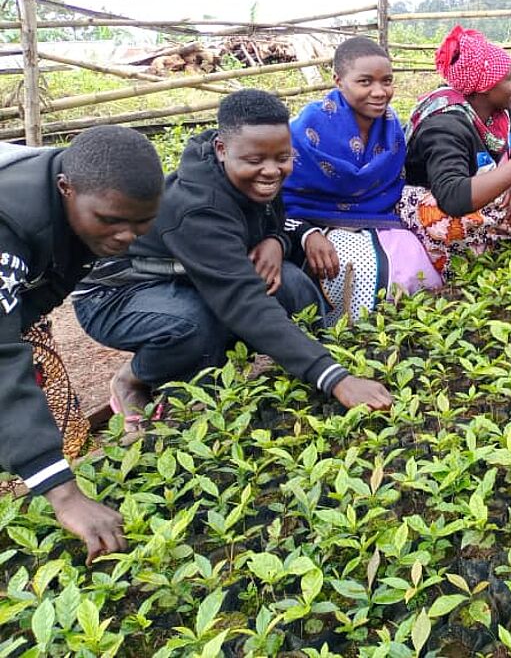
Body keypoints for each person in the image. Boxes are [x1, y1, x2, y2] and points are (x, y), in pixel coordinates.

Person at [74, 90, 395, 435]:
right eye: (255, 160)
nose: (271, 171)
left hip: (192, 276)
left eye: (282, 157)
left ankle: (233, 365)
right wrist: (335, 380)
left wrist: (276, 240)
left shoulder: (257, 175)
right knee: (195, 326)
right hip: (118, 293)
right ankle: (135, 379)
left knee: (294, 287)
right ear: (222, 150)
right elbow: (243, 301)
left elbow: (272, 223)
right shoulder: (198, 208)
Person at [0, 126, 163, 562]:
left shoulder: (88, 189)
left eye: (140, 222)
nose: (127, 236)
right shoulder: (9, 223)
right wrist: (65, 496)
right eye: (111, 221)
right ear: (65, 190)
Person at [282, 37, 442, 321]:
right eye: (365, 82)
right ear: (338, 80)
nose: (379, 92)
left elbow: (393, 183)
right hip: (310, 223)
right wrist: (305, 232)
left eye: (387, 81)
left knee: (414, 260)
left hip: (378, 218)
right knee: (363, 270)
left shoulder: (391, 127)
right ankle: (351, 333)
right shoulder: (305, 129)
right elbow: (276, 197)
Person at [400, 25, 511, 275]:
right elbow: (452, 198)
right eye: (508, 79)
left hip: (478, 192)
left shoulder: (502, 111)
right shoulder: (445, 125)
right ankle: (467, 248)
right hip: (438, 203)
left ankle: (485, 240)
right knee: (446, 216)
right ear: (485, 87)